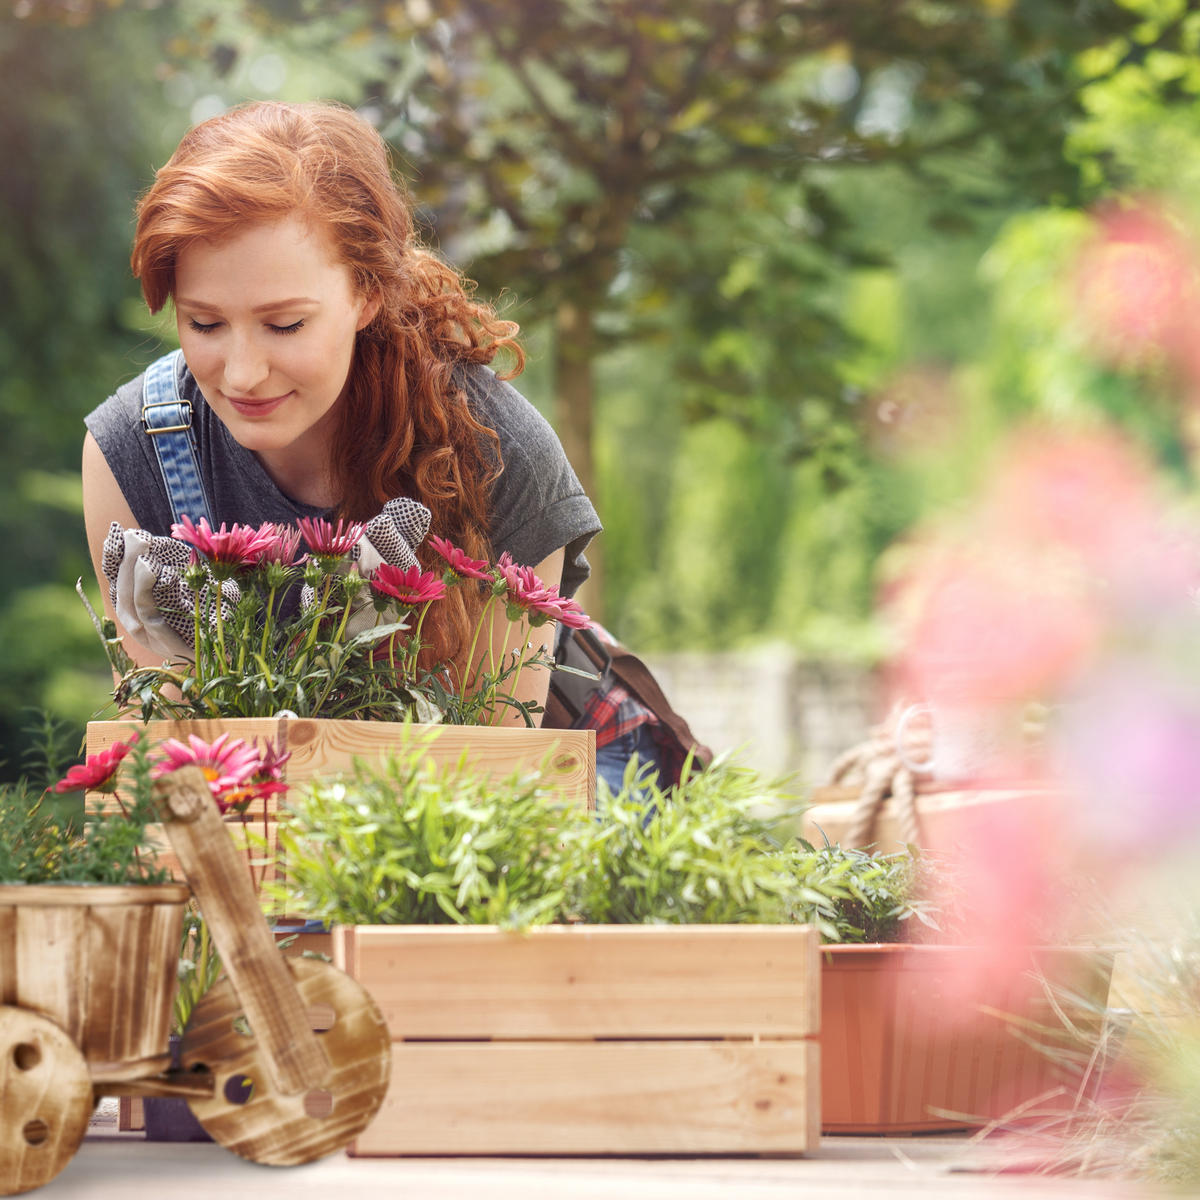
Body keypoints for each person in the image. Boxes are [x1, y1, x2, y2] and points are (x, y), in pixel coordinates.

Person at [82, 100, 601, 727]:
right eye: (204, 323)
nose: (242, 373)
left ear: (367, 293)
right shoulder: (135, 450)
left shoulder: (502, 456)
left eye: (285, 324)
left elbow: (493, 781)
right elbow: (158, 771)